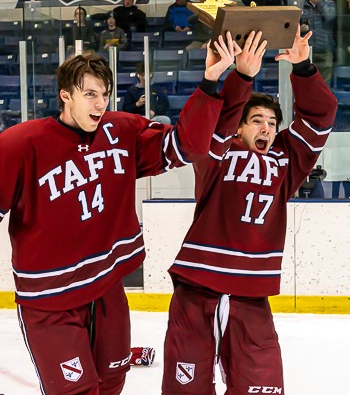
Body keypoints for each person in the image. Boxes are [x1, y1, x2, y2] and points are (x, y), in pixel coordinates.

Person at [0, 32, 239, 394]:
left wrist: (209, 81)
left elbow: (186, 145)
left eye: (105, 94)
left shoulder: (121, 129)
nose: (100, 104)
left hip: (106, 288)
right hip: (50, 301)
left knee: (112, 381)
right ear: (66, 96)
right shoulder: (21, 144)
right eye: (90, 94)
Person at [162, 26, 338, 394]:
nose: (267, 128)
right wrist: (241, 77)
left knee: (263, 386)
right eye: (257, 120)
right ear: (239, 127)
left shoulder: (286, 161)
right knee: (185, 388)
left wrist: (304, 68)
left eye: (273, 123)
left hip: (252, 292)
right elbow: (214, 122)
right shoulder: (217, 152)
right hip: (199, 286)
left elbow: (321, 117)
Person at [301, 0, 336, 86]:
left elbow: (330, 17)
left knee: (325, 84)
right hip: (308, 52)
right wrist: (301, 29)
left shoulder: (330, 4)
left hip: (325, 50)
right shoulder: (302, 5)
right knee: (308, 83)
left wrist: (319, 2)